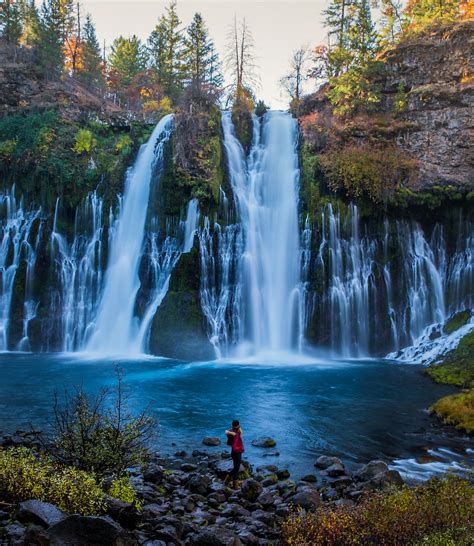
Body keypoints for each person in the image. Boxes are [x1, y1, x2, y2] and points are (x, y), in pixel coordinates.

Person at [224, 419, 245, 489]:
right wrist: (239, 433)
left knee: (236, 467)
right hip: (237, 452)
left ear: (232, 425)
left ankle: (231, 482)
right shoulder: (236, 432)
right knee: (236, 468)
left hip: (233, 451)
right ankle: (233, 484)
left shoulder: (231, 431)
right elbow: (240, 439)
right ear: (238, 425)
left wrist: (232, 433)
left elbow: (226, 431)